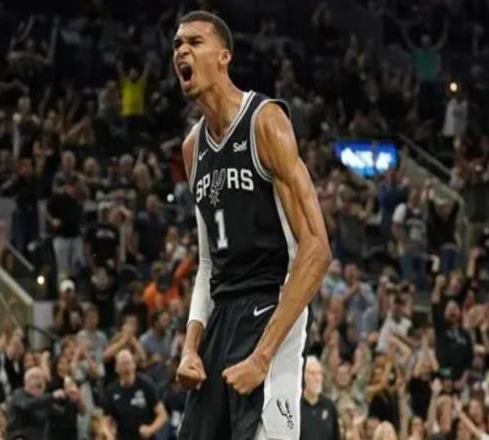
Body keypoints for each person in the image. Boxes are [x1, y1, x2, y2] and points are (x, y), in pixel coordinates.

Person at [172, 11, 331, 440]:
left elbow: (317, 249)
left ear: (224, 56)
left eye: (194, 42)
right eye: (177, 45)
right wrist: (190, 348)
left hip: (272, 305)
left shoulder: (265, 122)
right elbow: (207, 264)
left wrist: (263, 357)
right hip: (222, 317)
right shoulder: (192, 148)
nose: (182, 51)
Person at [102, 350, 168, 440]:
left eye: (128, 363)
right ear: (116, 368)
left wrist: (150, 429)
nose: (126, 367)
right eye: (122, 364)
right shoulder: (111, 390)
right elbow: (105, 420)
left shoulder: (145, 384)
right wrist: (109, 435)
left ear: (134, 365)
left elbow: (162, 415)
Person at [6, 367, 68, 440]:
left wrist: (65, 399)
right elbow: (25, 405)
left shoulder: (44, 400)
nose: (39, 381)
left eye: (42, 378)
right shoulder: (19, 393)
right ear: (26, 381)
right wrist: (51, 396)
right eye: (35, 377)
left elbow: (60, 412)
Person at [300, 356, 340, 440]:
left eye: (320, 373)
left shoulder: (329, 406)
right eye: (312, 373)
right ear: (302, 377)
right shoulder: (295, 407)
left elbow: (336, 436)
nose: (318, 378)